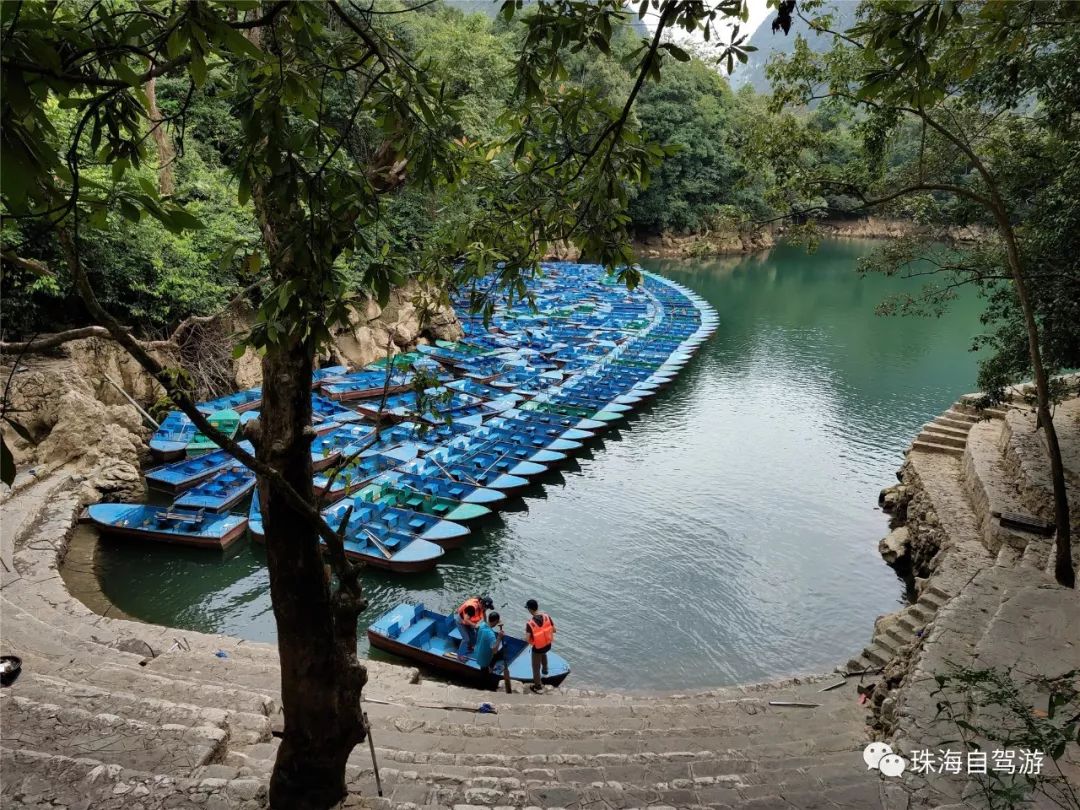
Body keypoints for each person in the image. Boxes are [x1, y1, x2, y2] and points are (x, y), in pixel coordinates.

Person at [524, 598, 555, 693]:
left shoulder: (530, 624)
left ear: (530, 609)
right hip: (548, 644)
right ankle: (545, 672)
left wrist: (534, 641)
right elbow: (554, 630)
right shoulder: (547, 617)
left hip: (538, 648)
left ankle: (538, 687)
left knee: (536, 667)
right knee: (544, 653)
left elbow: (527, 639)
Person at [455, 595, 492, 660]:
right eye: (485, 607)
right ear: (481, 604)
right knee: (466, 639)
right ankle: (459, 656)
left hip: (469, 622)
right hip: (461, 621)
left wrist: (486, 624)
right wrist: (475, 625)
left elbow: (484, 613)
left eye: (487, 608)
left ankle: (469, 648)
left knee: (473, 636)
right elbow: (466, 619)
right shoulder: (472, 608)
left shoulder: (482, 606)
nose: (486, 609)